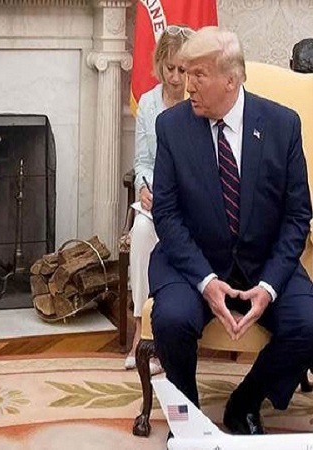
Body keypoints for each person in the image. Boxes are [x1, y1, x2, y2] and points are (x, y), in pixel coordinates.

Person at [150, 26, 313, 436]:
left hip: (265, 259)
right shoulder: (171, 127)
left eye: (198, 75)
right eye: (185, 72)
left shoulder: (282, 125)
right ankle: (187, 418)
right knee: (171, 319)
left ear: (231, 79)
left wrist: (270, 286)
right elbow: (166, 213)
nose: (187, 85)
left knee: (308, 322)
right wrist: (205, 280)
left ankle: (245, 402)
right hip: (192, 259)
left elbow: (297, 215)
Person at [126, 25, 194, 374]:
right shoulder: (149, 104)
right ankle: (142, 330)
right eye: (170, 68)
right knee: (141, 233)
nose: (176, 77)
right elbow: (142, 162)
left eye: (182, 69)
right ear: (159, 65)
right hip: (156, 199)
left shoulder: (199, 103)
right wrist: (143, 187)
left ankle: (170, 336)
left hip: (190, 204)